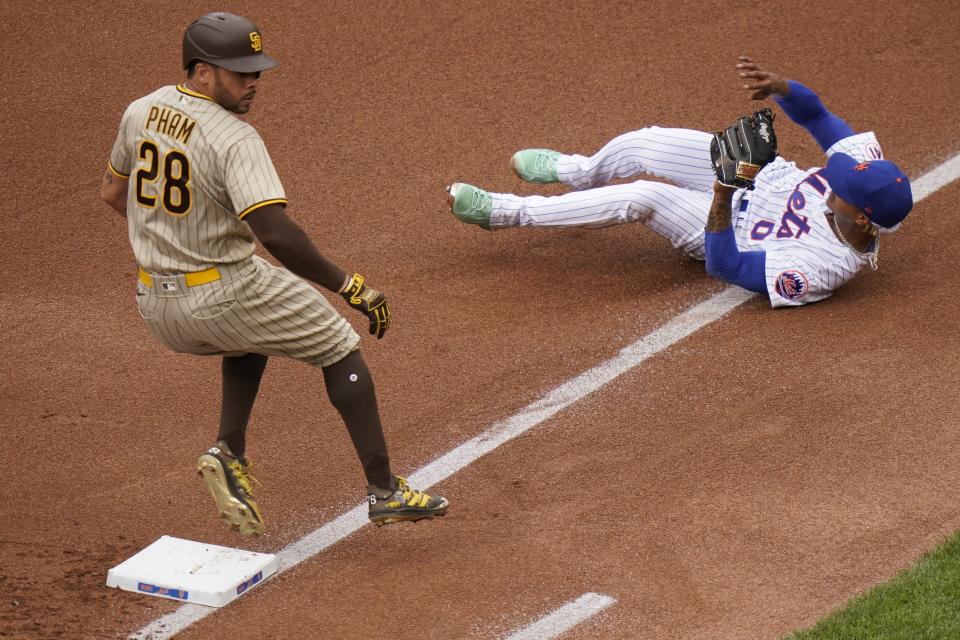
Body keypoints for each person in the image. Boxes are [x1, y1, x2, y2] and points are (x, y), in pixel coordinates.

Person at [100, 12, 448, 537]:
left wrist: (172, 234)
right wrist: (349, 285)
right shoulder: (235, 138)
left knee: (259, 320)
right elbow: (277, 234)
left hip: (153, 303)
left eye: (256, 72)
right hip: (220, 293)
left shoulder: (140, 110)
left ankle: (229, 448)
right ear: (201, 72)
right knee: (339, 344)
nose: (252, 82)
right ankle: (385, 490)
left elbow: (112, 193)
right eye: (240, 72)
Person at [447, 57, 914, 307]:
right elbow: (817, 115)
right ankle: (579, 172)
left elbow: (729, 269)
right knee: (645, 144)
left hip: (723, 228)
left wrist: (722, 194)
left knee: (642, 196)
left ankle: (504, 211)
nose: (830, 177)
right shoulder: (866, 171)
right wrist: (782, 86)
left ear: (861, 216)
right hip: (762, 176)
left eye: (841, 189)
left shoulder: (824, 268)